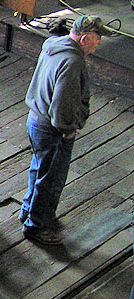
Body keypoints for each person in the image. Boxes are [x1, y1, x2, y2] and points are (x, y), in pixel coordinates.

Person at [20, 15, 112, 247]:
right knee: (51, 179)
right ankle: (37, 226)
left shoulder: (53, 46)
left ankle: (29, 210)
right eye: (97, 38)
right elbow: (63, 102)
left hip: (35, 120)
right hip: (52, 129)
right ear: (84, 38)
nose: (99, 43)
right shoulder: (73, 62)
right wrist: (68, 129)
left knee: (39, 168)